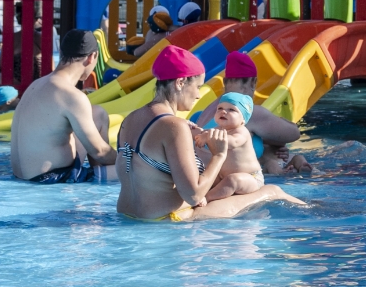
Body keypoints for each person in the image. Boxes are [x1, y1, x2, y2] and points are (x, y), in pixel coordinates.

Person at [116, 45, 299, 222]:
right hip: (168, 220)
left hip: (126, 217)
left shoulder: (129, 120)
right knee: (272, 191)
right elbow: (194, 195)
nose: (198, 95)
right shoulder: (174, 126)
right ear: (180, 83)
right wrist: (219, 155)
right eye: (197, 87)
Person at [10, 30, 117, 183]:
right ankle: (100, 177)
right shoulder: (73, 96)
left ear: (61, 52)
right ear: (91, 57)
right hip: (51, 181)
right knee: (139, 169)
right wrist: (128, 160)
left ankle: (99, 173)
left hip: (22, 176)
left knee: (98, 114)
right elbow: (100, 152)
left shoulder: (37, 84)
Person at [195, 51, 302, 150]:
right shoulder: (247, 112)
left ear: (224, 81)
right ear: (253, 82)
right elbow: (294, 134)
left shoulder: (212, 108)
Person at [199, 92, 266, 202]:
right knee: (207, 175)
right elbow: (202, 134)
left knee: (233, 180)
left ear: (243, 120)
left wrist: (207, 137)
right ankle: (200, 192)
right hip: (222, 176)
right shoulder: (217, 130)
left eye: (232, 110)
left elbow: (233, 142)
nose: (223, 111)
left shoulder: (242, 132)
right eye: (220, 108)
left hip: (250, 177)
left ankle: (206, 198)